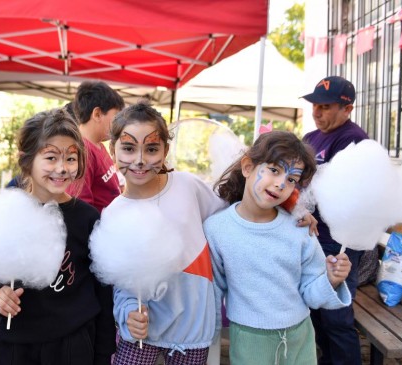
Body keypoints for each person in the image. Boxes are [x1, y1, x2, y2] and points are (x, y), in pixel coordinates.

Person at [203, 131, 353, 365]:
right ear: (247, 167)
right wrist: (207, 345)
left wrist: (331, 279)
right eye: (274, 170)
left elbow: (311, 293)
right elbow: (212, 294)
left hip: (300, 338)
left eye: (292, 179)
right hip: (250, 341)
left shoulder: (300, 228)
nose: (281, 183)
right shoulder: (217, 229)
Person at [0, 108, 116, 365]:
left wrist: (103, 353)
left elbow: (103, 292)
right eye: (51, 157)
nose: (62, 168)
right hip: (17, 342)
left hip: (73, 343)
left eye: (70, 158)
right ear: (27, 159)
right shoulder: (5, 213)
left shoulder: (87, 219)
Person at [108, 101, 227, 365]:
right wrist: (129, 314)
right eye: (128, 148)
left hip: (192, 331)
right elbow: (121, 283)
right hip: (141, 333)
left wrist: (291, 210)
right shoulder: (114, 213)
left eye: (151, 149)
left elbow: (229, 219)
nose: (139, 160)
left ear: (165, 150)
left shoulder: (188, 186)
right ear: (112, 151)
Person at [301, 76, 370, 365]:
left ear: (347, 108)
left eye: (325, 106)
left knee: (336, 318)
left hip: (338, 241)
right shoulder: (311, 137)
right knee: (316, 313)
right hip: (310, 237)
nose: (317, 112)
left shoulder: (353, 139)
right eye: (315, 105)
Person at [65, 81, 125, 212]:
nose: (120, 124)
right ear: (97, 114)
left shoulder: (99, 145)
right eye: (116, 117)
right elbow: (79, 208)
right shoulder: (81, 151)